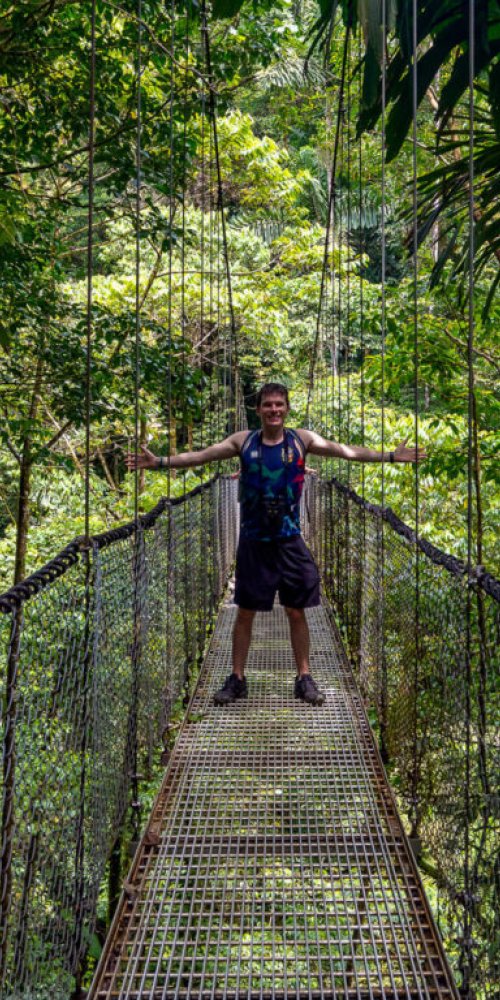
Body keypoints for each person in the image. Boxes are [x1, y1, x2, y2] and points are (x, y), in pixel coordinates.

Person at [125, 382, 426, 707]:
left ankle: (304, 678)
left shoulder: (302, 440)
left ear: (287, 408)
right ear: (258, 409)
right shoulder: (243, 441)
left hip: (289, 540)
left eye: (279, 404)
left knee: (296, 611)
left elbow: (346, 451)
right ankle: (237, 679)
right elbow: (201, 456)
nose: (274, 410)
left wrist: (390, 456)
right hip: (254, 542)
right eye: (268, 404)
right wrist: (160, 462)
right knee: (245, 612)